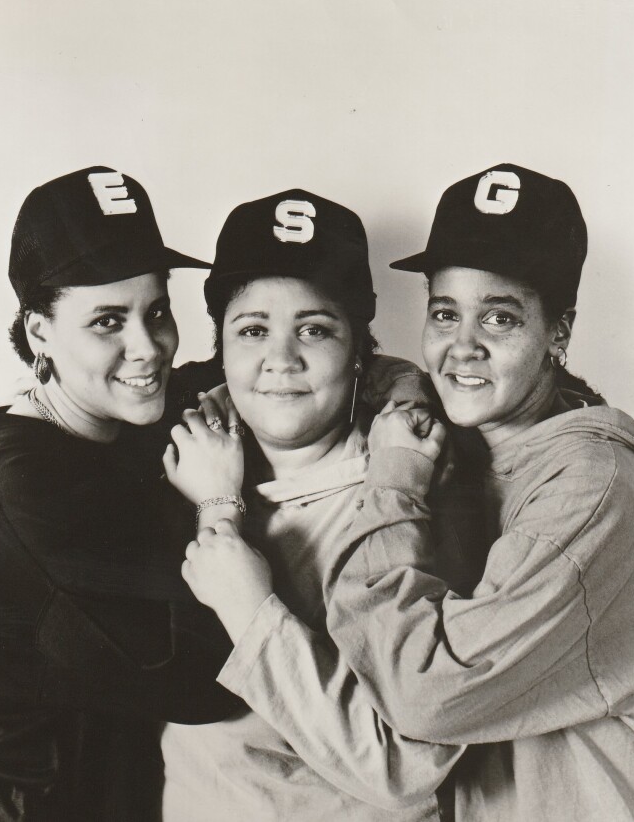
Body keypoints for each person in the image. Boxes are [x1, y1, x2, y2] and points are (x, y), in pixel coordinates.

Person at [316, 164, 634, 820]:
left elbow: (425, 693)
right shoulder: (482, 448)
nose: (462, 347)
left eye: (498, 318)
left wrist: (394, 481)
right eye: (445, 313)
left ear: (559, 332)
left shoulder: (590, 485)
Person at [0, 167, 239, 822]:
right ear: (38, 332)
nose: (149, 348)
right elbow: (207, 681)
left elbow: (230, 371)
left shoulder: (101, 420)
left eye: (157, 310)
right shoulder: (22, 492)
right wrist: (218, 507)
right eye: (108, 320)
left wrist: (385, 377)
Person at [160, 190, 486, 822]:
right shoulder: (178, 448)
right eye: (252, 330)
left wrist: (249, 606)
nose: (281, 359)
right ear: (220, 349)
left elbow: (407, 770)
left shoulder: (415, 493)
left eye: (315, 329)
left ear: (359, 347)